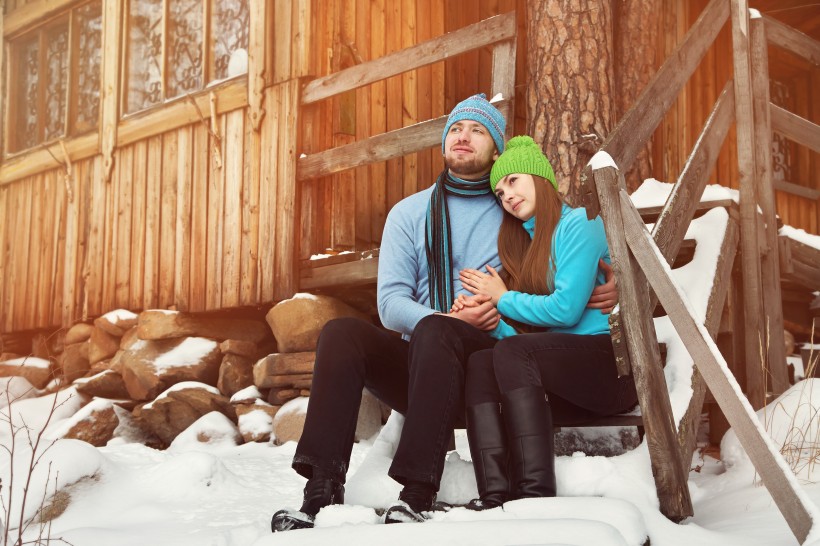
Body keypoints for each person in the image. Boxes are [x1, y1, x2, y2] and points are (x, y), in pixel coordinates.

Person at [271, 96, 617, 531]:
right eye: (455, 129)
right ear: (443, 144)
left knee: (438, 331)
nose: (463, 136)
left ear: (497, 152)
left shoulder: (514, 209)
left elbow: (553, 270)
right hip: (420, 366)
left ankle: (416, 492)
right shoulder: (409, 214)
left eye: (478, 130)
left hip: (486, 366)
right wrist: (450, 320)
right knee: (342, 333)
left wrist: (607, 284)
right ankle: (320, 492)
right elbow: (391, 305)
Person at [454, 136, 638, 510]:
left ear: (541, 179)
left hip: (609, 369)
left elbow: (566, 311)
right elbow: (531, 344)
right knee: (481, 359)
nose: (506, 195)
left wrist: (502, 297)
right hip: (563, 375)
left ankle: (535, 495)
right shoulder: (526, 244)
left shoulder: (580, 225)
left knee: (511, 352)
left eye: (513, 181)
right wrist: (493, 322)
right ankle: (493, 494)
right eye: (500, 191)